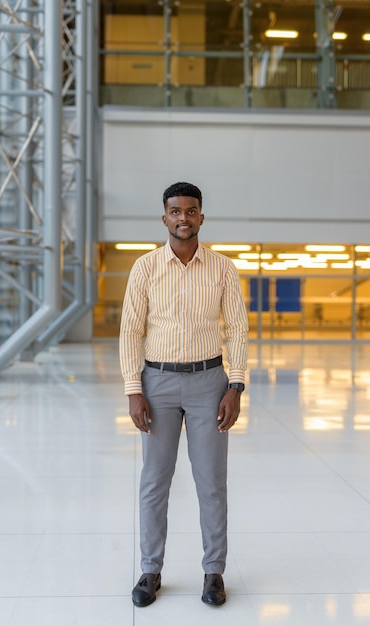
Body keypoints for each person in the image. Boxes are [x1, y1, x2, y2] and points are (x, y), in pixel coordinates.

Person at [119, 181, 249, 607]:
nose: (183, 218)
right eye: (175, 211)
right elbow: (130, 332)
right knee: (154, 482)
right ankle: (150, 570)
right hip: (157, 384)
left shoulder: (223, 269)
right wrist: (134, 390)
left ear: (201, 217)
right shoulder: (145, 268)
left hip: (209, 383)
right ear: (164, 218)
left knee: (212, 484)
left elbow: (238, 330)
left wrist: (236, 384)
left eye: (190, 211)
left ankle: (214, 573)